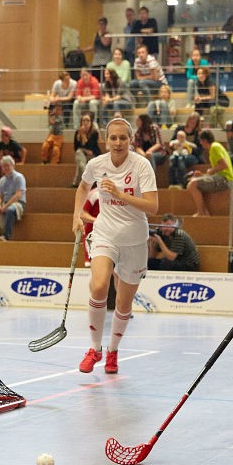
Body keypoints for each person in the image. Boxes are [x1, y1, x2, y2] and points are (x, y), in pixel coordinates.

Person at [72, 117, 158, 374]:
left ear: (130, 140)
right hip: (105, 234)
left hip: (134, 240)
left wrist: (121, 195)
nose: (118, 142)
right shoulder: (96, 164)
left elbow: (153, 207)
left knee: (123, 303)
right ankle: (95, 348)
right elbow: (83, 187)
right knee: (98, 286)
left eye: (123, 138)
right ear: (106, 140)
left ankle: (112, 351)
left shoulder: (141, 166)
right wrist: (76, 215)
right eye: (113, 138)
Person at [187, 129, 233, 217]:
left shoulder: (214, 147)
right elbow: (217, 169)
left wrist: (210, 171)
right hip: (220, 178)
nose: (200, 143)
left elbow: (224, 165)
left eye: (201, 141)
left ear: (204, 140)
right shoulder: (215, 147)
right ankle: (205, 213)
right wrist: (203, 175)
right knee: (192, 182)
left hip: (225, 179)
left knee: (193, 184)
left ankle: (201, 212)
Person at [71, 112, 100, 187]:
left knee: (80, 160)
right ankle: (88, 179)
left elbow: (90, 147)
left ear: (91, 122)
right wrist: (80, 135)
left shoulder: (94, 133)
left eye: (87, 120)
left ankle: (76, 182)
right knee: (79, 155)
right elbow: (76, 148)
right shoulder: (77, 132)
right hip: (83, 154)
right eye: (84, 120)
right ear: (81, 122)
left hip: (93, 155)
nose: (85, 122)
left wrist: (83, 135)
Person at [84, 17, 111, 82]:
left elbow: (105, 43)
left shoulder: (108, 34)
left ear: (105, 25)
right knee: (95, 80)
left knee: (104, 80)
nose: (100, 26)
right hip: (96, 62)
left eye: (102, 24)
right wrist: (83, 50)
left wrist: (101, 35)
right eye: (99, 24)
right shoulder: (95, 35)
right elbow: (93, 46)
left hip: (105, 61)